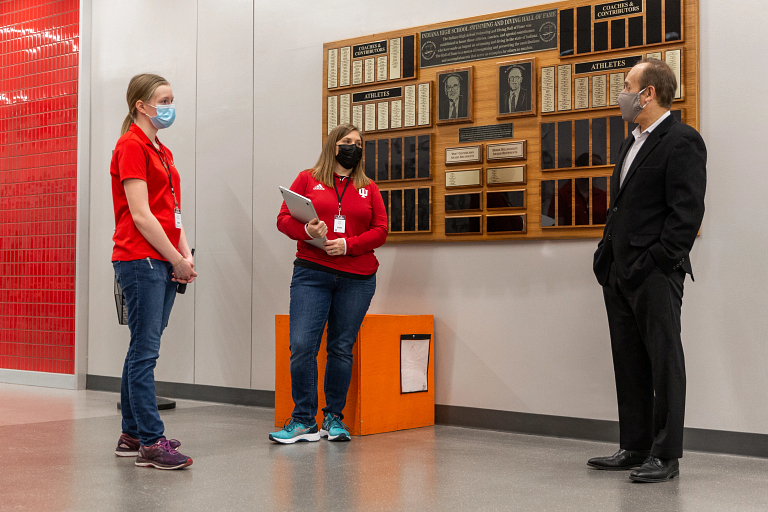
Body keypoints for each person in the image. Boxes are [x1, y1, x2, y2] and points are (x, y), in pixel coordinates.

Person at [589, 59, 706, 482]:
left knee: (664, 361)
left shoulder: (682, 141)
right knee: (629, 361)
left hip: (655, 272)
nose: (622, 93)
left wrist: (658, 260)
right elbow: (621, 206)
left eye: (626, 85)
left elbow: (687, 213)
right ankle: (635, 446)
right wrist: (606, 255)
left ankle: (666, 454)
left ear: (648, 93)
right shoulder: (630, 140)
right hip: (618, 271)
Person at [272, 123, 388, 444]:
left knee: (340, 348)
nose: (354, 146)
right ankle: (303, 420)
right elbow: (284, 218)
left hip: (358, 277)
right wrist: (309, 232)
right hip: (312, 272)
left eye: (359, 142)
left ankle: (333, 419)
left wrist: (348, 245)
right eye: (347, 141)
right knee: (302, 346)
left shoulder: (369, 188)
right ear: (333, 145)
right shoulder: (308, 178)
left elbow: (380, 229)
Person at [111, 74, 196, 469]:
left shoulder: (162, 149)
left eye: (172, 99)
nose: (169, 106)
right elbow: (142, 216)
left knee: (141, 348)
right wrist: (175, 259)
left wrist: (184, 253)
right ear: (141, 106)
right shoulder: (131, 144)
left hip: (161, 257)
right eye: (163, 100)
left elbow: (171, 211)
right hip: (139, 258)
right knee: (145, 352)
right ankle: (150, 440)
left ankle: (131, 434)